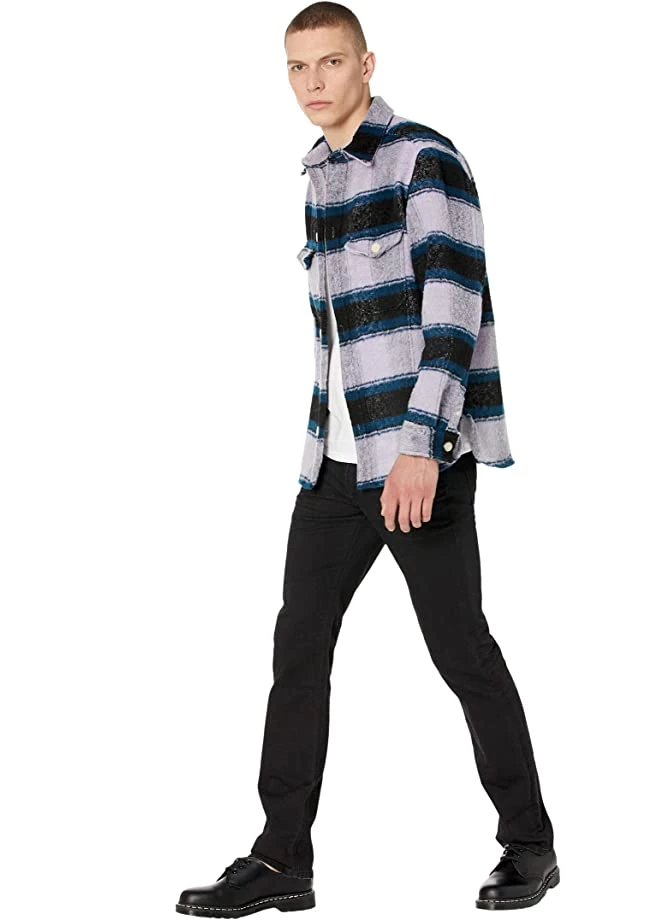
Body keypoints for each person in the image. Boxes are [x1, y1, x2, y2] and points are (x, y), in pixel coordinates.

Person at [176, 3, 558, 915]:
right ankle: (282, 860)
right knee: (298, 646)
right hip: (335, 467)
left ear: (367, 64)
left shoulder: (424, 160)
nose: (313, 83)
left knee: (460, 651)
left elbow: (455, 309)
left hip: (416, 461)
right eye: (297, 67)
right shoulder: (315, 173)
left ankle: (531, 845)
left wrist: (422, 447)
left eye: (330, 63)